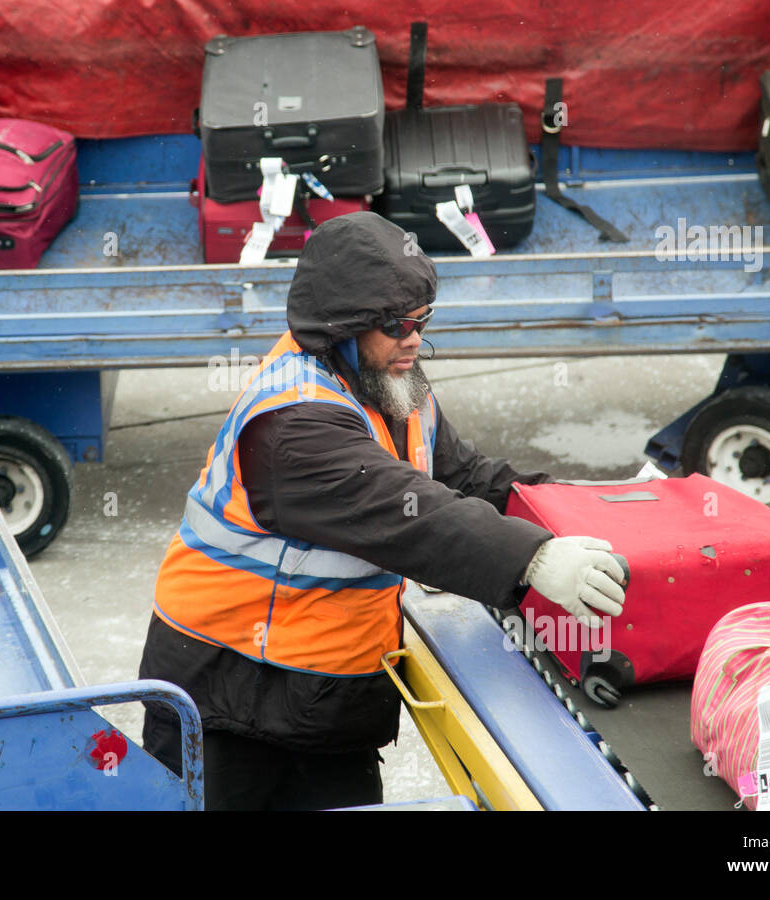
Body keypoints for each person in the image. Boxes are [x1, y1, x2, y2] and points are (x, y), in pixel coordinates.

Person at [138, 212, 626, 810]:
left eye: (423, 321)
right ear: (340, 327)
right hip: (227, 695)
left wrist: (584, 506)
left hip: (323, 699)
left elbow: (463, 476)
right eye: (396, 325)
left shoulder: (389, 379)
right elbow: (407, 515)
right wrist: (534, 558)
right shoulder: (295, 424)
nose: (414, 339)